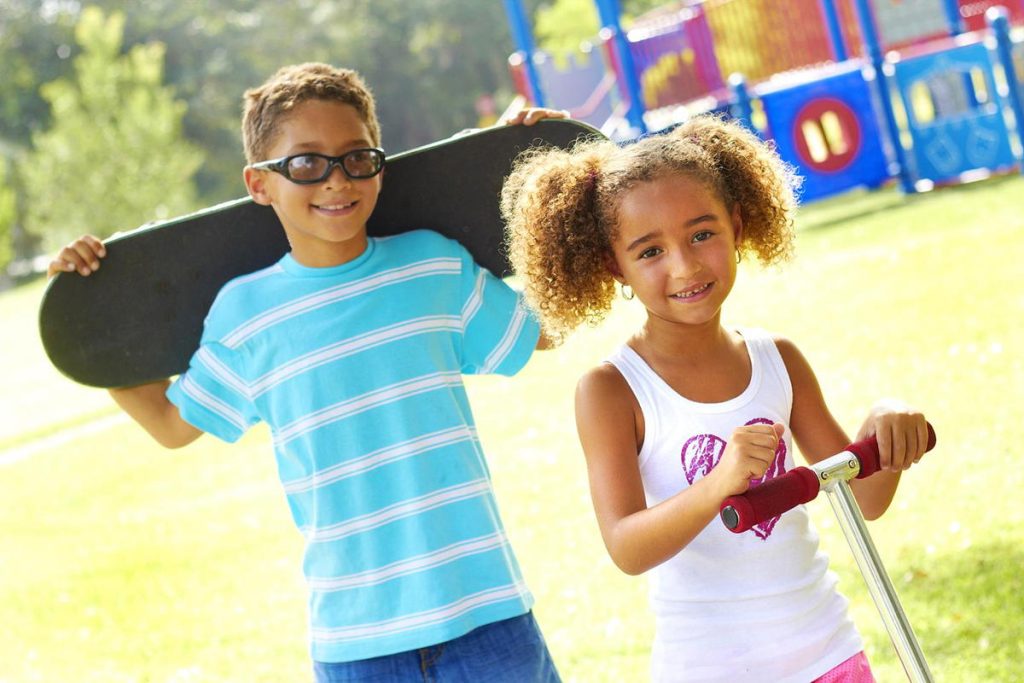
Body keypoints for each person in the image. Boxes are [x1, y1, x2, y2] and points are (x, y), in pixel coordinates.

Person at [48, 62, 567, 682]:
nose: (336, 179)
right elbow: (168, 424)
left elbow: (544, 331)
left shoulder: (432, 266)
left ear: (379, 165)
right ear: (259, 184)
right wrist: (92, 319)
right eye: (305, 163)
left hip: (487, 618)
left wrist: (535, 182)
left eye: (357, 157)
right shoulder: (245, 315)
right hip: (357, 646)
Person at [499, 114, 931, 683]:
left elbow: (864, 499)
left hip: (828, 652)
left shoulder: (778, 359)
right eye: (650, 251)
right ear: (613, 265)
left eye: (702, 234)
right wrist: (718, 484)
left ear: (737, 225)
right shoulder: (611, 390)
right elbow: (627, 547)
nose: (684, 266)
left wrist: (884, 425)